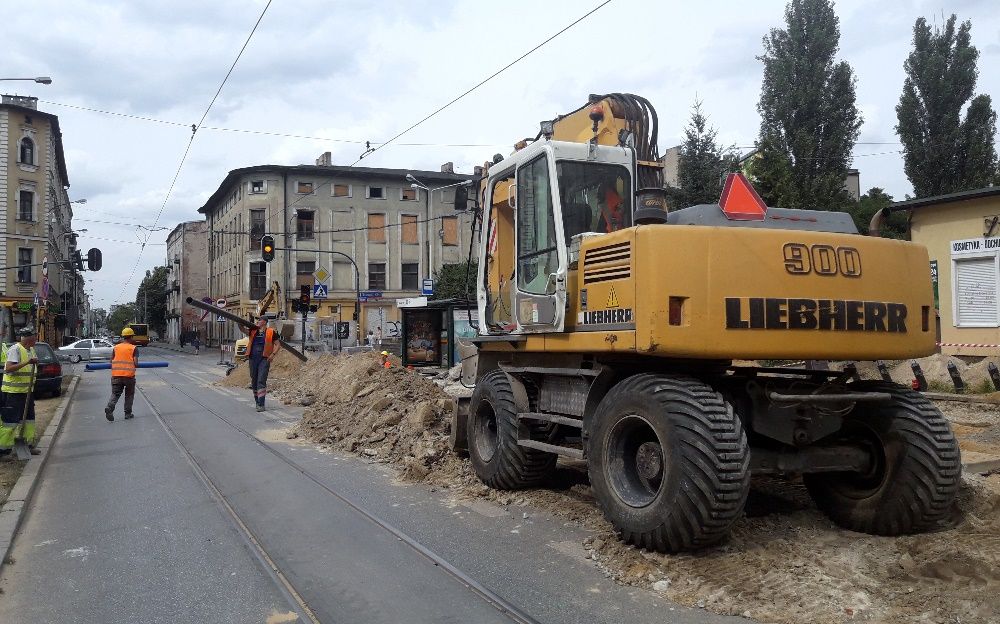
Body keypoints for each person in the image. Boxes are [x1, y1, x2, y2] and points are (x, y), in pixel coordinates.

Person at [1, 327, 41, 455]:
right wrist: (28, 362)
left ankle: (28, 445)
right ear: (29, 339)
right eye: (35, 337)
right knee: (10, 422)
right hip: (13, 393)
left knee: (29, 420)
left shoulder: (31, 350)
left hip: (27, 392)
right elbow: (9, 368)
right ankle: (4, 450)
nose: (36, 339)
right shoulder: (15, 349)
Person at [240, 316, 280, 412]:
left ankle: (261, 404)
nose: (258, 321)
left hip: (264, 359)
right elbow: (242, 329)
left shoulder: (271, 332)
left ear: (265, 322)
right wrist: (239, 322)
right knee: (254, 381)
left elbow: (278, 344)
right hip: (253, 358)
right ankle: (257, 402)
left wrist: (273, 354)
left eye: (260, 320)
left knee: (261, 380)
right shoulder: (253, 330)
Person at [105, 327, 139, 421]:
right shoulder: (133, 348)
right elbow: (135, 363)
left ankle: (110, 407)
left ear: (123, 337)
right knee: (129, 395)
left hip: (116, 375)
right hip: (129, 376)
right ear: (131, 337)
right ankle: (127, 414)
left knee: (115, 394)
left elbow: (111, 361)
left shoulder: (116, 347)